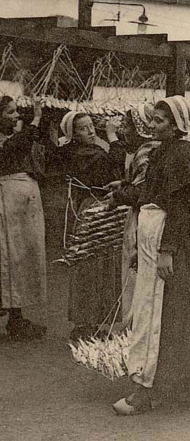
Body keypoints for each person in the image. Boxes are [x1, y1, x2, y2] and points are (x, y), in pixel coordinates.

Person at [113, 95, 190, 415]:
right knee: (171, 313)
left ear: (177, 125)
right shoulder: (162, 152)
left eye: (159, 121)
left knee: (158, 312)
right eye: (152, 120)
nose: (152, 125)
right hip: (154, 234)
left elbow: (181, 207)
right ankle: (180, 383)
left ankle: (145, 391)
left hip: (172, 238)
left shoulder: (183, 154)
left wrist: (166, 251)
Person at [51, 110, 124, 341]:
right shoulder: (83, 153)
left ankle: (93, 321)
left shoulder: (87, 150)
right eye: (83, 128)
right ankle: (85, 323)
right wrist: (112, 136)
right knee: (90, 266)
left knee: (98, 265)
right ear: (73, 134)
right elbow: (116, 162)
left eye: (92, 125)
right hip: (94, 208)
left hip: (97, 206)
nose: (91, 131)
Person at [104, 104, 161, 323]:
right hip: (143, 214)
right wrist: (124, 183)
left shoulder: (147, 153)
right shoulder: (146, 150)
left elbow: (145, 190)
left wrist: (119, 196)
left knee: (137, 270)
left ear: (140, 129)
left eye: (127, 126)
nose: (123, 131)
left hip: (144, 218)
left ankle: (135, 325)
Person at [0, 96, 47, 340]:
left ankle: (16, 318)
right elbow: (15, 147)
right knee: (8, 257)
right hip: (7, 206)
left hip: (17, 206)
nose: (17, 115)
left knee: (17, 258)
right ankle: (13, 318)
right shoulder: (8, 144)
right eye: (10, 112)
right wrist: (36, 117)